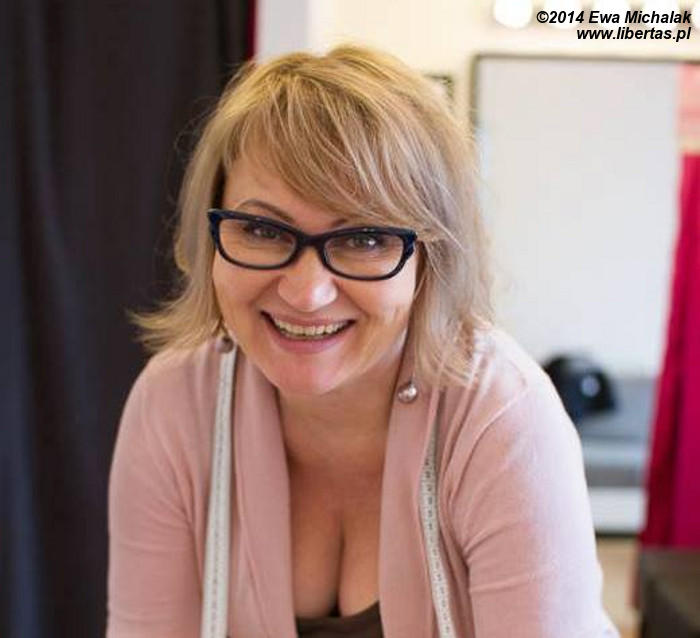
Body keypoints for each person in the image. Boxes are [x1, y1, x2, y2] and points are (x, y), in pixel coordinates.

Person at [107, 46, 619, 638]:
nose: (306, 293)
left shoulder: (503, 419)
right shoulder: (175, 403)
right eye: (263, 230)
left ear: (431, 258)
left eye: (365, 239)